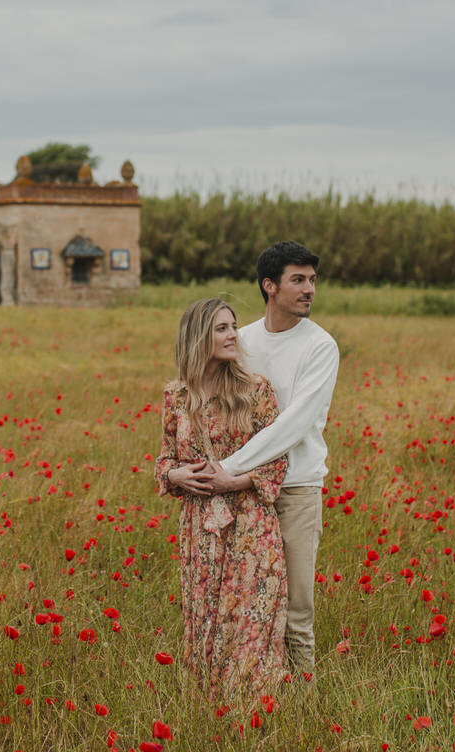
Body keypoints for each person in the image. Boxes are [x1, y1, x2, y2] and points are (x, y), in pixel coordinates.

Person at [194, 241, 339, 683]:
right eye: (298, 279)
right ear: (269, 285)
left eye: (312, 280)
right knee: (244, 603)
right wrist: (195, 468)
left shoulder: (320, 346)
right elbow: (210, 405)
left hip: (294, 489)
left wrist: (229, 468)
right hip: (242, 493)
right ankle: (251, 696)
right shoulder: (243, 341)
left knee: (295, 610)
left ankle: (303, 704)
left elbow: (292, 426)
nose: (309, 289)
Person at [155, 297, 289, 698]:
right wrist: (176, 475)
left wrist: (236, 482)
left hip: (250, 525)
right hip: (200, 529)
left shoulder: (255, 390)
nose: (233, 335)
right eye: (222, 329)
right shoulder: (176, 396)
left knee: (251, 622)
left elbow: (278, 461)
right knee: (206, 619)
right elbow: (164, 460)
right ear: (198, 337)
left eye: (233, 326)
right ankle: (208, 711)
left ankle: (254, 712)